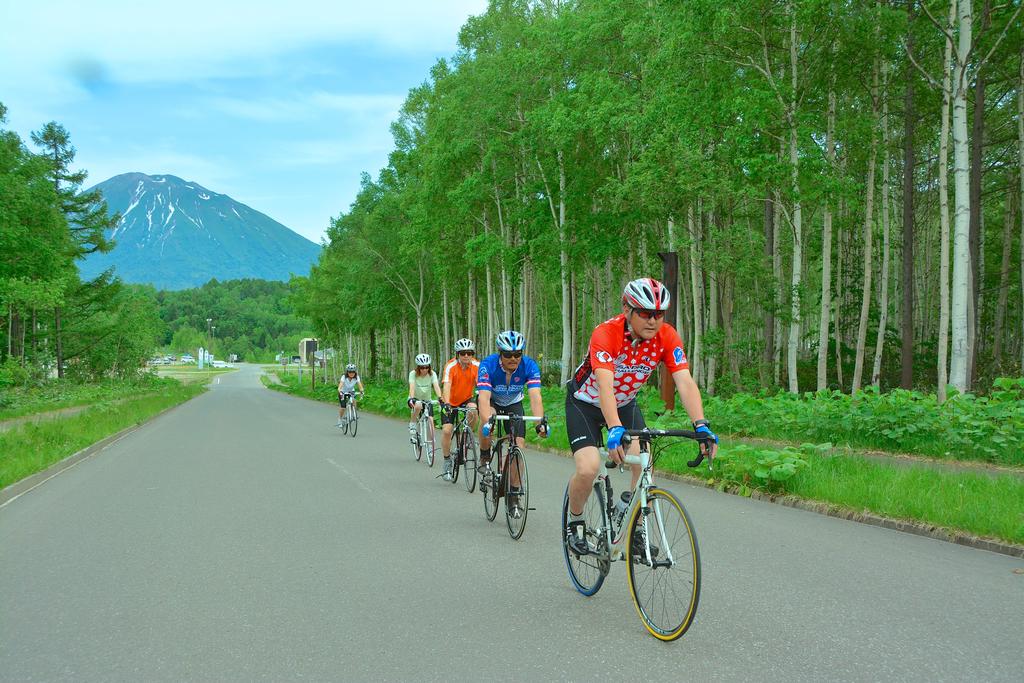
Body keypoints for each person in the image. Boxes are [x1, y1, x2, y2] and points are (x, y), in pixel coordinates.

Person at [564, 277, 718, 557]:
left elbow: (684, 381)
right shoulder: (606, 334)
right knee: (588, 467)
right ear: (627, 309)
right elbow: (605, 386)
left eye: (659, 314)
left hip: (624, 404)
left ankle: (633, 524)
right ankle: (574, 521)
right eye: (645, 313)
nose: (653, 321)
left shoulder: (667, 336)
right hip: (585, 403)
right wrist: (614, 429)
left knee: (643, 462)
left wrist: (701, 425)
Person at [478, 330, 548, 516]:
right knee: (488, 421)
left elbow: (535, 397)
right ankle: (485, 456)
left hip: (513, 403)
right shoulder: (488, 365)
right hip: (492, 401)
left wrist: (539, 422)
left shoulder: (529, 366)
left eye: (517, 354)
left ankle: (514, 494)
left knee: (519, 446)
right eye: (508, 354)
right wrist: (487, 422)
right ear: (500, 353)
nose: (513, 358)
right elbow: (483, 399)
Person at [439, 338, 480, 481]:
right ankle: (447, 461)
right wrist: (447, 404)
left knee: (474, 411)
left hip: (466, 399)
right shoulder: (451, 366)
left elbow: (481, 385)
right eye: (463, 353)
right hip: (450, 401)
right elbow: (447, 386)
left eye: (469, 353)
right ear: (457, 354)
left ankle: (467, 436)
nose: (466, 356)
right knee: (446, 431)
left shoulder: (476, 365)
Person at [407, 353, 442, 443]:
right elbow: (412, 386)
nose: (424, 370)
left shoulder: (432, 374)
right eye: (422, 368)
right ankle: (413, 423)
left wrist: (440, 398)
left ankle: (430, 445)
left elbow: (436, 386)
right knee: (418, 405)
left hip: (427, 400)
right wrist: (411, 398)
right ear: (418, 367)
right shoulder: (413, 374)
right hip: (415, 398)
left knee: (431, 420)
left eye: (427, 367)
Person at [337, 363, 364, 427]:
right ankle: (340, 419)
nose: (351, 373)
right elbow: (340, 385)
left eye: (353, 372)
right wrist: (340, 391)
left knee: (354, 401)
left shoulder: (357, 377)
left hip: (351, 391)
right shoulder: (344, 377)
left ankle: (354, 414)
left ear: (355, 372)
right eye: (350, 372)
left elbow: (360, 385)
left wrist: (362, 391)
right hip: (343, 392)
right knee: (343, 407)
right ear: (347, 372)